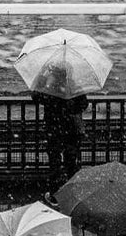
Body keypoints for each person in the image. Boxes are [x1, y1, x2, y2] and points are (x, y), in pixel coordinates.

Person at [31, 75, 89, 205]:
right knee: (72, 163)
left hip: (54, 131)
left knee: (55, 163)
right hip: (71, 131)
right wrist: (70, 106)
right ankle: (73, 195)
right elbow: (84, 104)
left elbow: (35, 96)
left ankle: (55, 195)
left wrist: (41, 78)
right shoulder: (74, 87)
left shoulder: (50, 89)